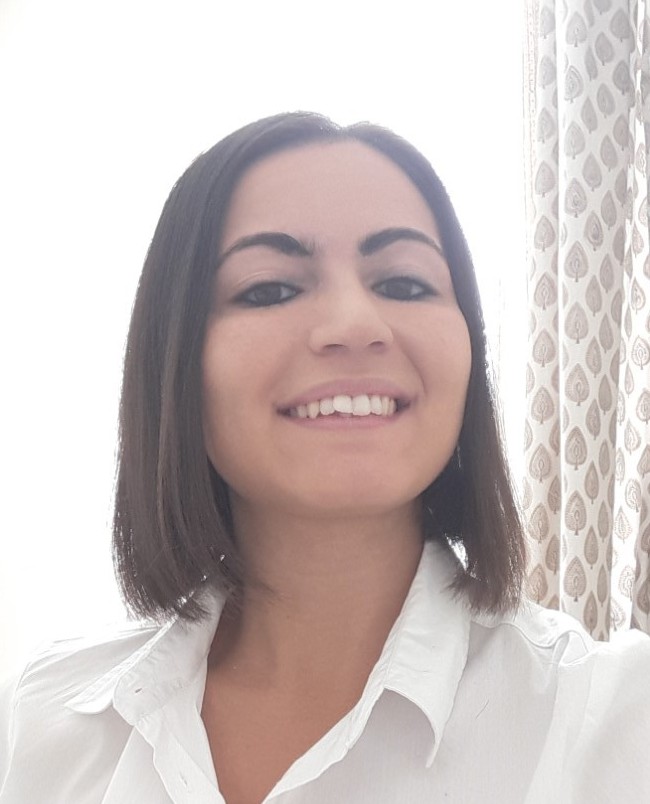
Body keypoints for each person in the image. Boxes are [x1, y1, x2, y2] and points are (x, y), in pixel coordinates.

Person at [1, 112, 649, 804]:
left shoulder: (614, 722)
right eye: (269, 289)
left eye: (405, 284)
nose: (355, 325)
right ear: (175, 362)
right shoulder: (43, 720)